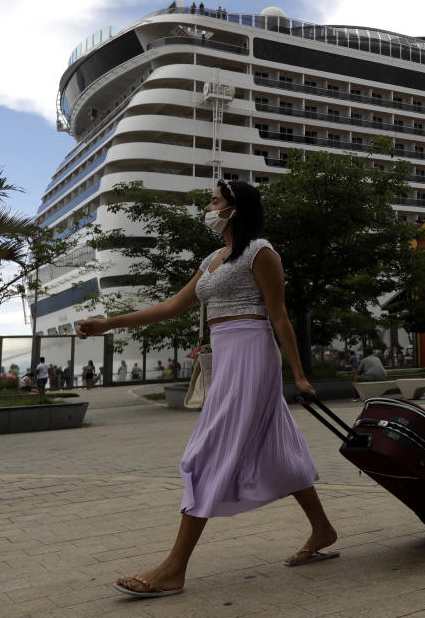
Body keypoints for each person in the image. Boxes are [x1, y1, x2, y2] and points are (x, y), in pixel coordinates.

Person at [78, 178, 337, 598]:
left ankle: (173, 569)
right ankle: (323, 529)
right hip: (226, 353)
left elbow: (280, 317)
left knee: (207, 452)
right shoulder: (212, 258)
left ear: (235, 208)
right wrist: (110, 323)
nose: (208, 208)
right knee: (276, 447)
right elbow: (172, 306)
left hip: (253, 353)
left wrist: (301, 375)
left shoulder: (261, 252)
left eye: (214, 201)